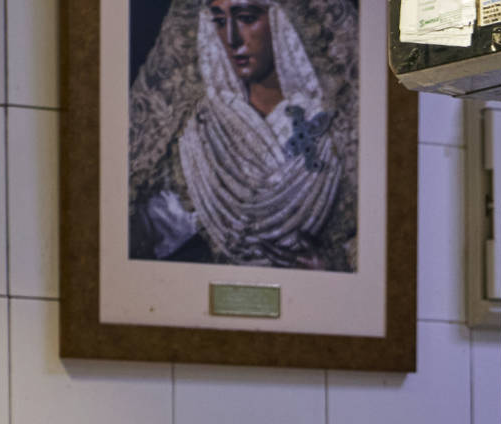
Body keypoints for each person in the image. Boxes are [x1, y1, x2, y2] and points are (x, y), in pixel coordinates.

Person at [128, 0, 356, 270]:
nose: (232, 38)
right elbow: (159, 224)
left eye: (247, 18)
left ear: (286, 19)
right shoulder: (196, 129)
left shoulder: (337, 127)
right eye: (220, 21)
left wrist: (332, 266)